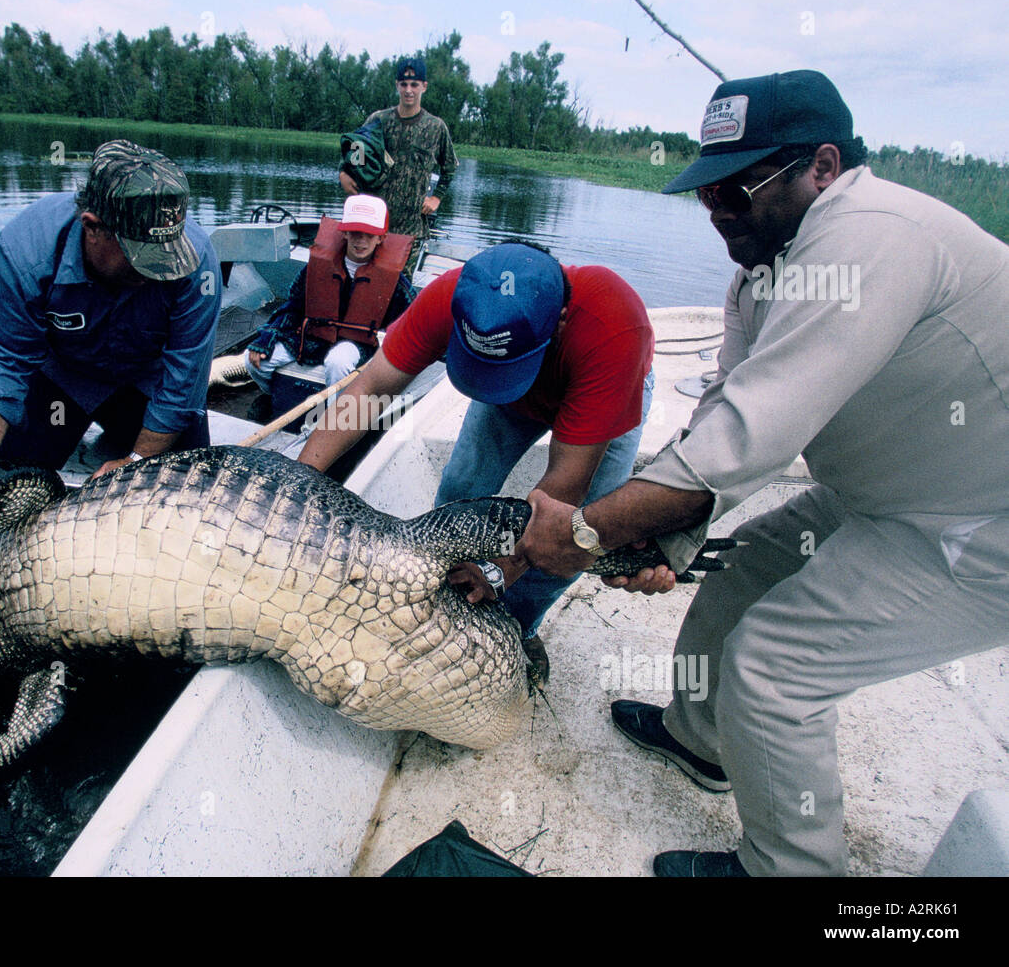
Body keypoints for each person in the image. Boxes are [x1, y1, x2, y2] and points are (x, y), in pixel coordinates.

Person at [514, 70, 1009, 876]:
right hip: (881, 496)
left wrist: (582, 531)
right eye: (706, 194)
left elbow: (754, 438)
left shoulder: (874, 235)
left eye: (738, 191)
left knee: (773, 666)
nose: (717, 215)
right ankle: (701, 743)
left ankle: (791, 870)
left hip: (979, 524)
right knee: (742, 575)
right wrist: (660, 548)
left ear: (821, 166)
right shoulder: (759, 275)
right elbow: (724, 414)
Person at [298, 241, 655, 681]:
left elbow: (560, 496)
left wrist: (500, 572)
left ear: (561, 320)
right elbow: (370, 389)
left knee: (573, 541)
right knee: (459, 491)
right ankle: (447, 605)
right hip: (510, 390)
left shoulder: (612, 328)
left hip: (603, 390)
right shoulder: (455, 300)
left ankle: (516, 628)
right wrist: (302, 479)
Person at [0, 140, 221, 479]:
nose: (157, 273)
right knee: (4, 479)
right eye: (142, 259)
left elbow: (185, 378)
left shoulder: (196, 261)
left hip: (147, 382)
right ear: (92, 227)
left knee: (189, 485)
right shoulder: (23, 253)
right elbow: (5, 357)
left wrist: (136, 461)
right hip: (62, 379)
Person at [244, 194, 414, 404]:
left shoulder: (396, 284)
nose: (360, 240)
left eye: (369, 235)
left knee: (337, 362)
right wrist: (268, 336)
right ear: (344, 233)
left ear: (381, 238)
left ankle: (334, 421)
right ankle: (273, 397)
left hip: (359, 345)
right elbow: (293, 307)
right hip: (314, 338)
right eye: (355, 232)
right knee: (253, 360)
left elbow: (411, 323)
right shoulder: (316, 268)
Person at [339, 56, 457, 273]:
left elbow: (449, 167)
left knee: (400, 291)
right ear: (397, 86)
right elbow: (354, 154)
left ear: (424, 86)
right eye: (404, 84)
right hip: (372, 227)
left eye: (414, 84)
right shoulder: (379, 120)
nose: (409, 90)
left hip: (411, 229)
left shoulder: (436, 127)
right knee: (364, 284)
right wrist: (344, 174)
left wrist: (436, 197)